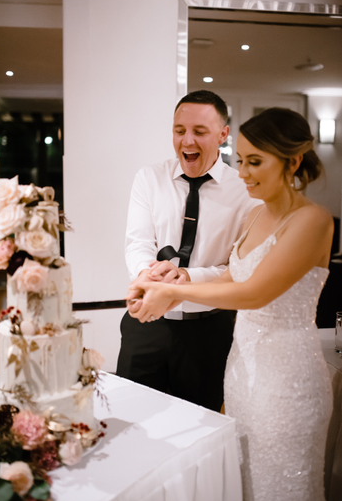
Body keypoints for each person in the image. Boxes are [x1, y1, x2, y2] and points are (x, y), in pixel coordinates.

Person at [126, 107, 333, 501]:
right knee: (243, 480)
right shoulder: (257, 216)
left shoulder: (313, 220)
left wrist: (176, 294)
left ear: (292, 161)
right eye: (240, 160)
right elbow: (229, 276)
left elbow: (255, 292)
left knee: (283, 484)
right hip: (243, 372)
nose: (243, 173)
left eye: (255, 161)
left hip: (288, 379)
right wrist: (173, 278)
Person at [116, 90, 259, 412]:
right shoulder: (149, 178)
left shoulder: (246, 192)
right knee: (131, 418)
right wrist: (149, 277)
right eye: (179, 131)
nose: (187, 141)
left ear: (223, 134)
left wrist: (184, 277)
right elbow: (138, 242)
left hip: (209, 331)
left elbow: (237, 267)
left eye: (200, 131)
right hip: (147, 322)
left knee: (198, 425)